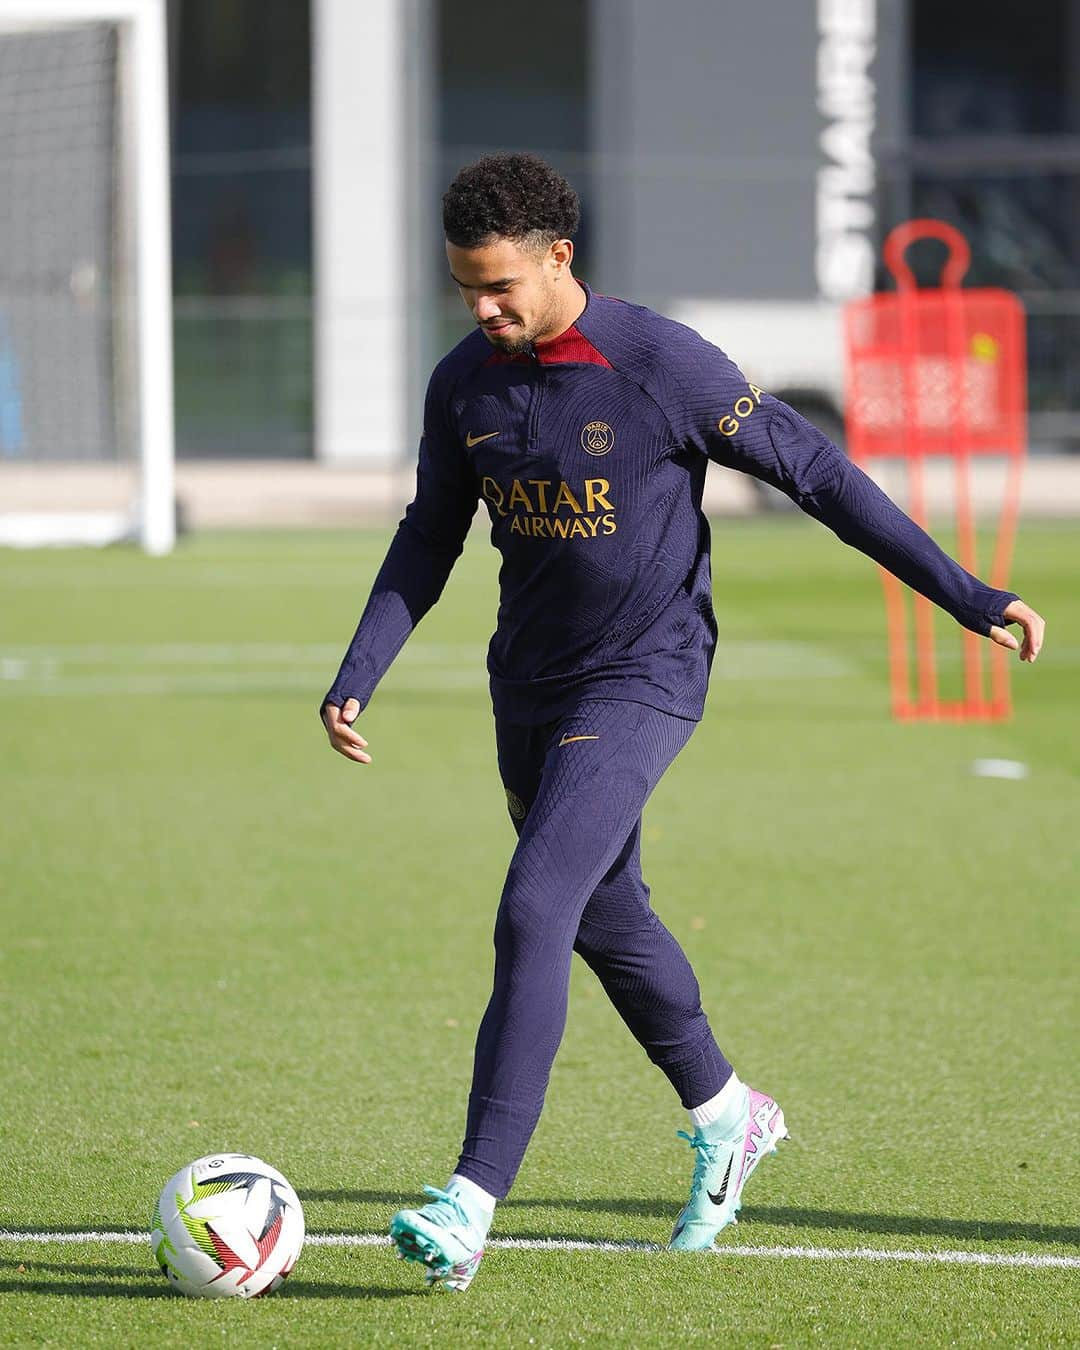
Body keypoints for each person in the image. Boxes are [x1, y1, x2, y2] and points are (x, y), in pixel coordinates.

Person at [321, 154, 1044, 1291]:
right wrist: (361, 668)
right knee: (609, 916)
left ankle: (468, 1202)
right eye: (466, 288)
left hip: (646, 676)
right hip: (531, 683)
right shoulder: (465, 381)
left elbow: (815, 472)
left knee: (536, 905)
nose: (484, 309)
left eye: (501, 285)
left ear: (562, 256)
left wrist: (969, 593)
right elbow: (430, 533)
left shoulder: (659, 362)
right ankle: (728, 1113)